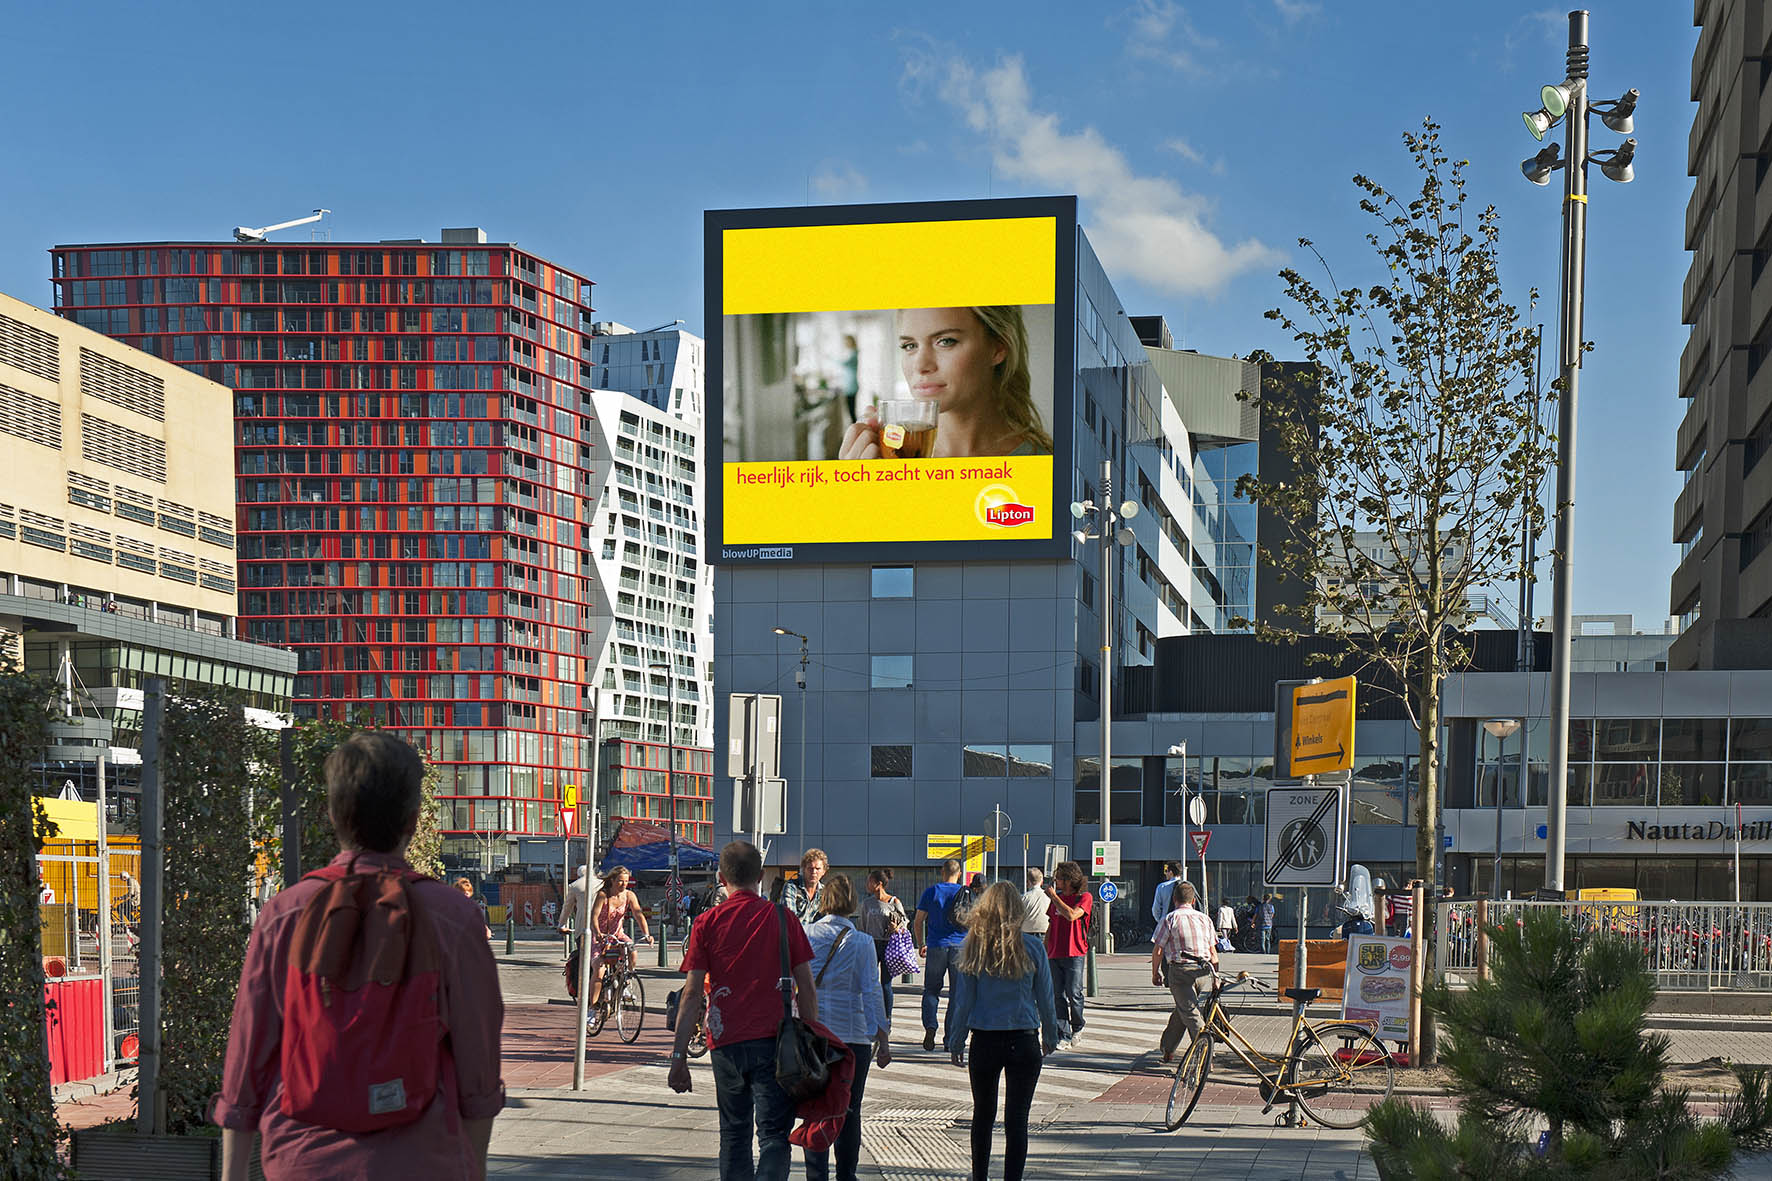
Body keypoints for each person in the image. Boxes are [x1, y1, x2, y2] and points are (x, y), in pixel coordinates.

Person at [213, 733, 503, 1180]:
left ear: (333, 814)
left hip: (303, 1161)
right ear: (412, 820)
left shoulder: (285, 913)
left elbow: (247, 1059)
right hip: (423, 1162)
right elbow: (478, 1067)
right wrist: (473, 1168)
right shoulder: (452, 917)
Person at [668, 841, 819, 1181]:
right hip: (775, 1042)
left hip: (726, 1043)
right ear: (761, 876)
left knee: (734, 1134)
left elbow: (692, 994)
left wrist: (678, 1057)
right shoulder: (784, 919)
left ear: (721, 877)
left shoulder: (706, 922)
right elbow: (806, 987)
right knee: (774, 1136)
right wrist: (812, 1042)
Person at [945, 881, 1060, 1181]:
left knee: (983, 1115)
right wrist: (1050, 1034)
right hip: (1024, 1039)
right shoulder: (1033, 947)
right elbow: (1046, 997)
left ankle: (980, 1176)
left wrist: (956, 1038)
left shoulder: (974, 946)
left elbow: (963, 1000)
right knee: (1017, 1119)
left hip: (984, 1039)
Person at [838, 306, 1053, 460]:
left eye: (945, 341)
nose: (920, 365)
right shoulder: (890, 458)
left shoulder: (1049, 464)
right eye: (909, 346)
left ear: (998, 348)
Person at [801, 874, 891, 1181]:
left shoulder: (807, 934)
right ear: (852, 904)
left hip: (814, 1036)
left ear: (824, 901)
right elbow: (872, 990)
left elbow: (792, 983)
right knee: (850, 1109)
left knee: (816, 1106)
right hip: (853, 1037)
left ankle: (816, 1174)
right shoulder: (863, 942)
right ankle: (846, 1174)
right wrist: (884, 1037)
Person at [1150, 882, 1219, 1062]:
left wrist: (1155, 973)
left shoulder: (1170, 919)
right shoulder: (1205, 919)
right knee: (1184, 1010)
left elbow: (1158, 949)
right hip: (1204, 972)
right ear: (1193, 900)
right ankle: (1167, 1048)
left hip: (1180, 972)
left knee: (1191, 1013)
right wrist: (1216, 977)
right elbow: (1213, 953)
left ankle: (1205, 1055)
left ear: (1174, 900)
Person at [914, 858, 968, 1051]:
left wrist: (921, 943)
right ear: (959, 873)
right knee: (957, 994)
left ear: (942, 872)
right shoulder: (965, 892)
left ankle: (930, 1026)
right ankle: (950, 1038)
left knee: (931, 990)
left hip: (936, 946)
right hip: (961, 947)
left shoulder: (931, 891)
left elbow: (918, 920)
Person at [586, 865, 652, 1011]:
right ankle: (592, 1008)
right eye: (620, 881)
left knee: (632, 951)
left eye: (626, 881)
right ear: (613, 880)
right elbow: (594, 916)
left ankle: (625, 983)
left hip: (618, 934)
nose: (623, 884)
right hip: (601, 936)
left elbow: (638, 914)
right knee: (599, 969)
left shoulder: (629, 896)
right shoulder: (603, 895)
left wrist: (646, 934)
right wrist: (597, 932)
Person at [1043, 861, 1093, 1048]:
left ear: (1069, 880)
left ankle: (1078, 1026)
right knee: (1057, 994)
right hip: (1055, 952)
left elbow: (1071, 915)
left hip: (1074, 951)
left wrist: (1055, 897)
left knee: (1074, 992)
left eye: (1059, 878)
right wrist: (1044, 948)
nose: (1055, 881)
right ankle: (1062, 1034)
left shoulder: (1084, 897)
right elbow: (1051, 924)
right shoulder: (1057, 898)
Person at [856, 867, 907, 1021]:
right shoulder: (867, 903)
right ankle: (870, 1014)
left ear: (878, 884)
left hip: (888, 945)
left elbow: (904, 923)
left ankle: (887, 1016)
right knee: (869, 981)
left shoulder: (894, 902)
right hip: (870, 944)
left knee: (886, 984)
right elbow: (862, 926)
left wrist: (896, 927)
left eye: (869, 881)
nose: (866, 884)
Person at [780, 848, 828, 924]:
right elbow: (790, 919)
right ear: (803, 869)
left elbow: (825, 921)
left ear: (824, 871)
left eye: (818, 869)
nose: (814, 872)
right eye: (810, 868)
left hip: (815, 935)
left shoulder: (825, 892)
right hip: (794, 934)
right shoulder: (792, 887)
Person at [1020, 867, 1051, 937]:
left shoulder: (1024, 897)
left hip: (1027, 933)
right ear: (1042, 882)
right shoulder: (1049, 897)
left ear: (1028, 882)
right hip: (1045, 932)